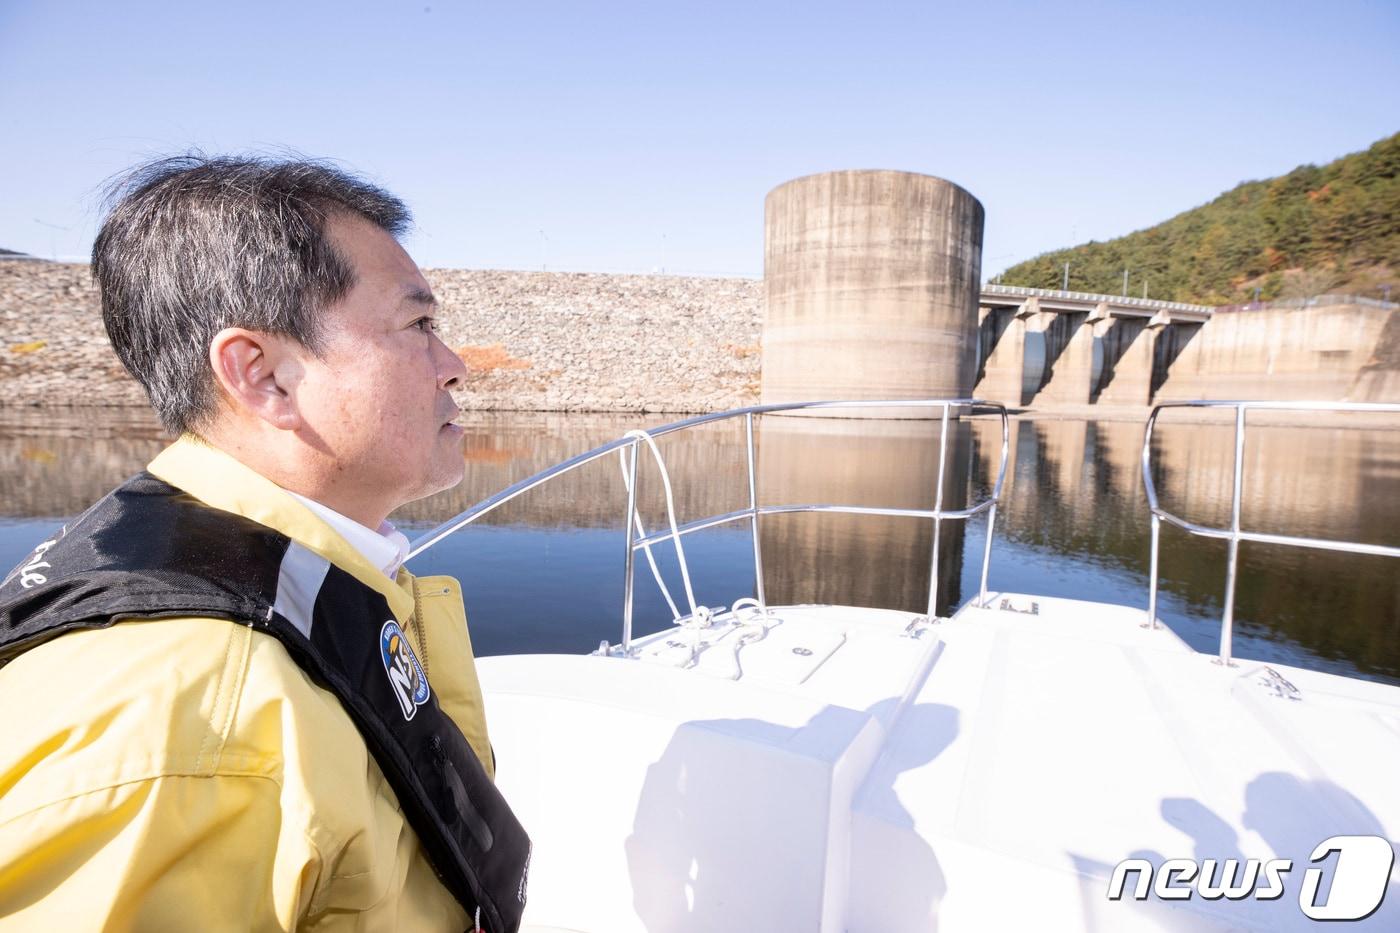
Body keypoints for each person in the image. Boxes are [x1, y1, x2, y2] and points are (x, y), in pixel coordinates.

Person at [0, 157, 529, 932]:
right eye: (419, 326)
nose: (453, 367)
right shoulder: (195, 729)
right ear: (264, 376)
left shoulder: (276, 584)